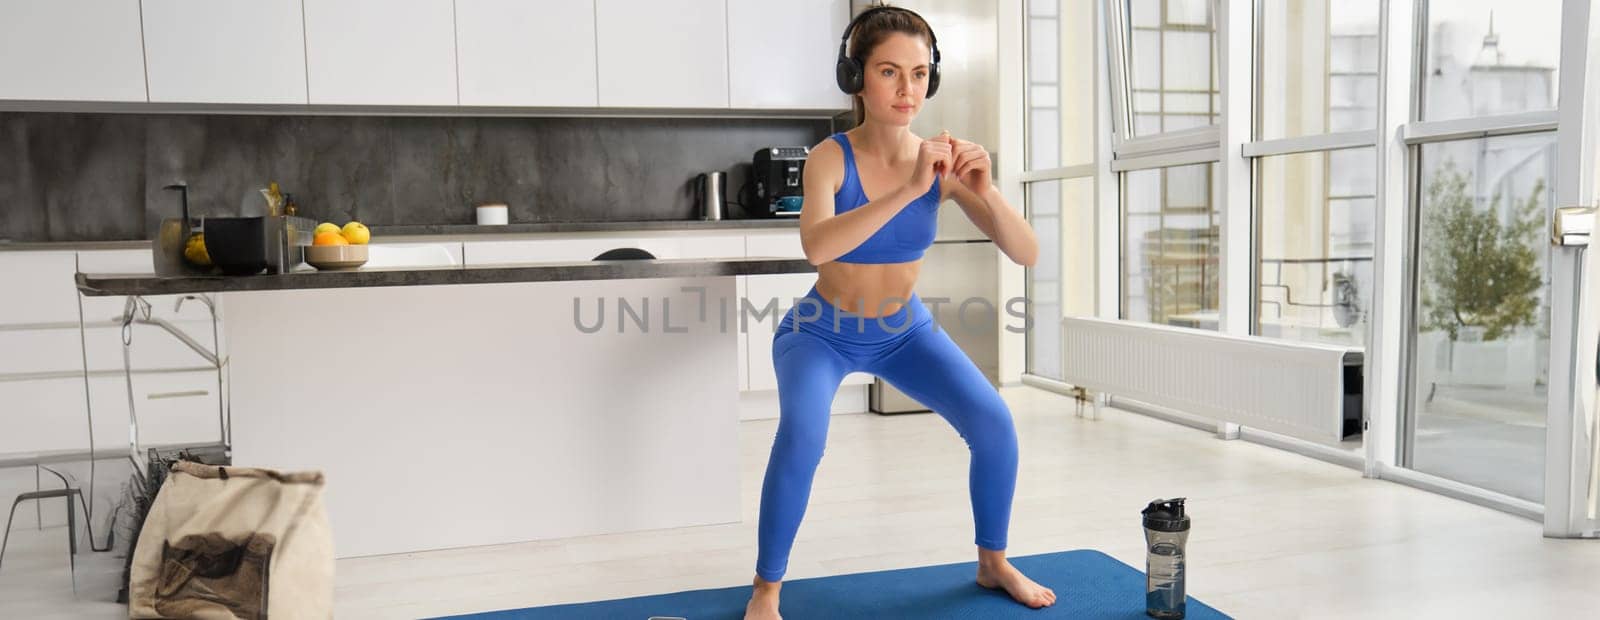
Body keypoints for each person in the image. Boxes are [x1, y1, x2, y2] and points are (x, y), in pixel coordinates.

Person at [745, 5, 1052, 619]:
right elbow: (818, 246)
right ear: (855, 77)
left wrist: (984, 189)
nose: (908, 88)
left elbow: (1026, 252)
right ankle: (766, 590)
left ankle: (992, 562)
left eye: (919, 73)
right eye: (889, 71)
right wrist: (912, 189)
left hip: (903, 331)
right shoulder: (831, 158)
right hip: (821, 333)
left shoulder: (942, 164)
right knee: (803, 436)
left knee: (994, 424)